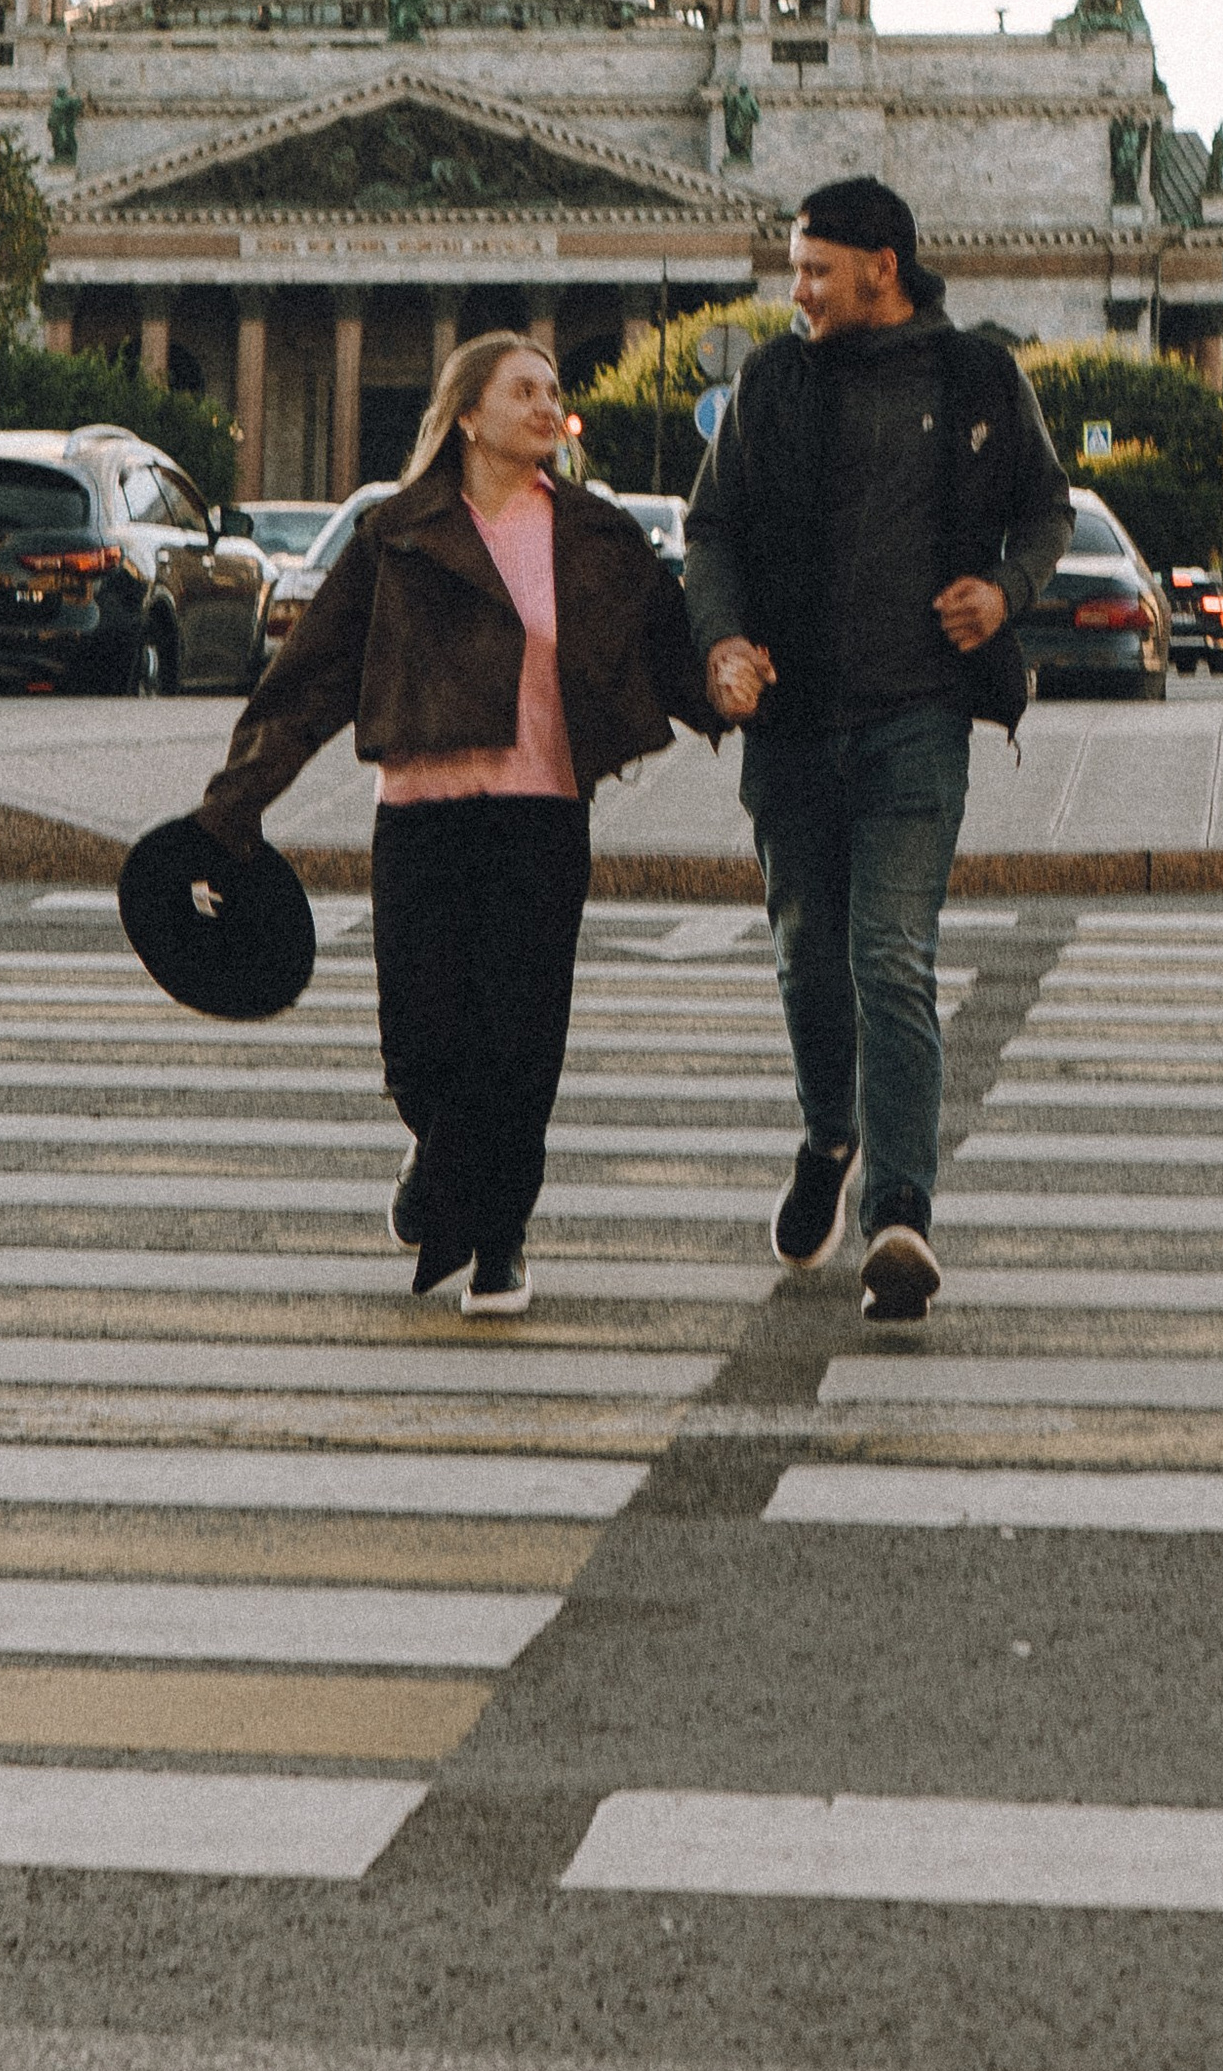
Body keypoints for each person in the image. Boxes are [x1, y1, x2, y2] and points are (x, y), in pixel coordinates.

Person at [195, 333, 716, 1317]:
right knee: (419, 1043)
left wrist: (738, 692)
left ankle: (499, 1241)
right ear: (468, 414)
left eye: (552, 391)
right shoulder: (396, 534)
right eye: (523, 391)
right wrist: (233, 808)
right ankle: (437, 1157)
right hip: (422, 819)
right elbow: (308, 682)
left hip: (541, 815)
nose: (547, 406)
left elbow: (672, 652)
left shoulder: (593, 533)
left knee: (521, 1041)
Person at [683, 177, 1073, 1325]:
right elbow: (711, 528)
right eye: (794, 270)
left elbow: (1045, 509)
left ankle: (900, 1212)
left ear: (881, 268)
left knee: (891, 955)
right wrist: (721, 642)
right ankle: (828, 1139)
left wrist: (1005, 590)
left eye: (814, 271)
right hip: (793, 724)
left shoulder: (977, 377)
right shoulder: (772, 379)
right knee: (807, 956)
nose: (796, 290)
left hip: (918, 718)